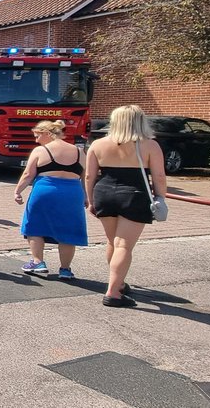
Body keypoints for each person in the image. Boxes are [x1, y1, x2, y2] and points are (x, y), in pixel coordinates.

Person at [85, 105, 167, 308]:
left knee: (112, 242)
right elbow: (158, 176)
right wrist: (160, 197)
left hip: (104, 192)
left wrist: (91, 200)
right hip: (133, 195)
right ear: (140, 121)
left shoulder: (98, 144)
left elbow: (89, 176)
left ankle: (119, 282)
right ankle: (113, 293)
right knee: (123, 245)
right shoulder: (150, 145)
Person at [14, 120, 87, 279]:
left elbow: (28, 174)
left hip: (45, 190)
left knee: (34, 226)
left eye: (37, 136)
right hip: (72, 193)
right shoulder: (79, 151)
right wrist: (86, 196)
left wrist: (18, 191)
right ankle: (65, 270)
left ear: (47, 133)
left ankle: (38, 262)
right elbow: (85, 177)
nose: (36, 140)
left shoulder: (40, 151)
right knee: (68, 231)